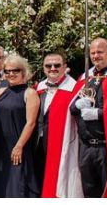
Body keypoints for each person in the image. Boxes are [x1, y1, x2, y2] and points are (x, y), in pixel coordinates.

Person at [71, 38, 107, 197]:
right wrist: (77, 105)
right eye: (92, 53)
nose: (95, 56)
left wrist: (98, 113)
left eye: (100, 52)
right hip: (85, 147)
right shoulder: (85, 78)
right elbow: (72, 109)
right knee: (89, 193)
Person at [35, 52, 84, 198]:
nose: (52, 68)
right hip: (38, 142)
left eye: (57, 65)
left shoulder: (75, 89)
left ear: (65, 67)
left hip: (64, 142)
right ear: (43, 68)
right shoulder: (38, 87)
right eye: (48, 65)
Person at [0, 54, 41, 197]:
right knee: (3, 184)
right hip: (0, 146)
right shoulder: (1, 91)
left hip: (18, 145)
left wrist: (19, 146)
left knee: (18, 185)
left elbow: (31, 123)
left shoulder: (30, 93)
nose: (11, 74)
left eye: (15, 70)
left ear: (23, 72)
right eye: (7, 71)